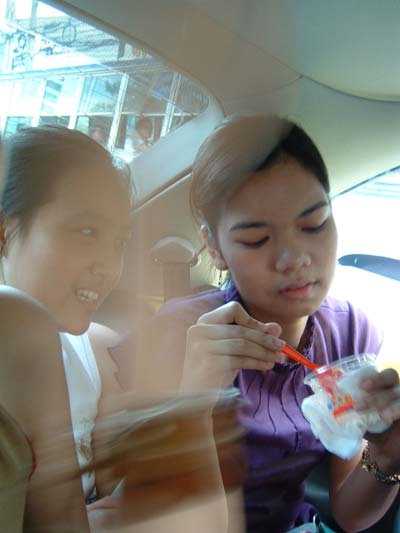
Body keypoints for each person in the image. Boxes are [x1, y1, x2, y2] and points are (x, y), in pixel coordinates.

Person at [120, 115, 400, 532]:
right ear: (214, 247)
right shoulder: (178, 334)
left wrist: (388, 458)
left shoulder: (351, 332)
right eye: (256, 239)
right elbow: (146, 507)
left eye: (313, 224)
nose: (295, 259)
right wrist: (194, 400)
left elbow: (349, 512)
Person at [0, 125, 133, 530]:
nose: (109, 267)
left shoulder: (98, 351)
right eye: (86, 232)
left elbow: (118, 493)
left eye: (120, 242)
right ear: (5, 233)